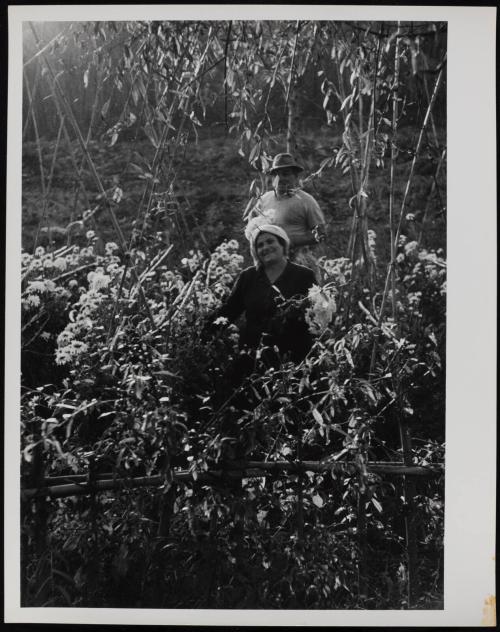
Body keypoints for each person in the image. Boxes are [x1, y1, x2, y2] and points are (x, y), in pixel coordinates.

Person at [210, 224, 316, 365]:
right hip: (253, 357)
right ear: (255, 252)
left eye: (270, 241)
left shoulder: (304, 275)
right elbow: (229, 311)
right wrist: (201, 331)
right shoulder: (248, 277)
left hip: (293, 357)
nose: (265, 247)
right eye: (259, 245)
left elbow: (317, 313)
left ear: (283, 244)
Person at [244, 153, 326, 276]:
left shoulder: (306, 201)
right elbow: (252, 225)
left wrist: (290, 241)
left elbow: (321, 235)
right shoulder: (264, 199)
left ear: (295, 176)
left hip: (298, 261)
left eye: (286, 174)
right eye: (276, 174)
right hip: (270, 264)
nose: (281, 178)